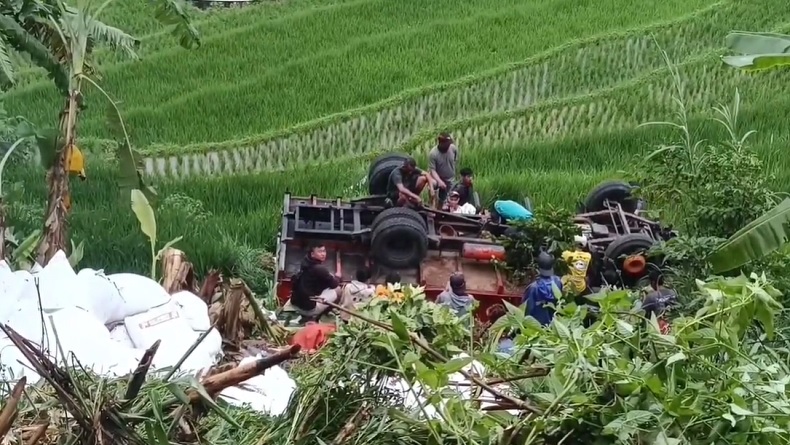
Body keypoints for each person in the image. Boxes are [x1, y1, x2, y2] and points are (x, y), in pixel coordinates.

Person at [290, 242, 341, 319]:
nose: (323, 254)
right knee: (338, 289)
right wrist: (338, 276)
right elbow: (335, 284)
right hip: (308, 310)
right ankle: (326, 312)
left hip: (296, 304)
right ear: (312, 254)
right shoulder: (320, 269)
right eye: (320, 252)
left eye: (324, 251)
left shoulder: (305, 263)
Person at [523, 252, 562, 326]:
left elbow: (526, 310)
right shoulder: (558, 281)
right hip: (553, 326)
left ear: (538, 268)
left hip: (536, 327)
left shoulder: (533, 288)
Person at [428, 133, 458, 205]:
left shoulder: (453, 148)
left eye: (449, 143)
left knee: (450, 199)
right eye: (447, 144)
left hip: (450, 179)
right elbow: (432, 170)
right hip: (438, 179)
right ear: (441, 143)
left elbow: (455, 161)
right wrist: (439, 181)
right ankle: (433, 205)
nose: (449, 145)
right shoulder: (433, 154)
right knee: (434, 187)